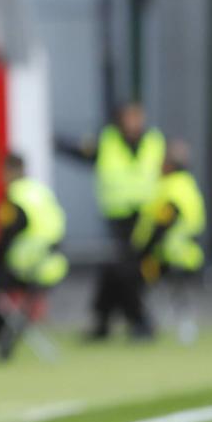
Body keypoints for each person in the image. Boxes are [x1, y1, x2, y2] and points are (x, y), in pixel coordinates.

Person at [59, 100, 164, 340]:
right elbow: (83, 153)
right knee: (118, 269)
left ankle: (130, 320)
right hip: (119, 219)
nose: (134, 122)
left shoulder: (154, 141)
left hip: (148, 219)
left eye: (137, 116)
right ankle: (115, 322)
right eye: (130, 117)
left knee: (123, 270)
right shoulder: (109, 141)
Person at [0, 154, 68, 360]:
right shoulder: (40, 192)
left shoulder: (16, 198)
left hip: (29, 268)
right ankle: (7, 333)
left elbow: (7, 238)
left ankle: (3, 334)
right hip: (54, 265)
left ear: (8, 172)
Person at [132, 140, 206, 344]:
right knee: (168, 292)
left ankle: (153, 326)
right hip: (178, 253)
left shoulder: (173, 188)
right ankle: (154, 324)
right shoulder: (184, 185)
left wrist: (144, 250)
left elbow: (163, 223)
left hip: (173, 254)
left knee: (164, 290)